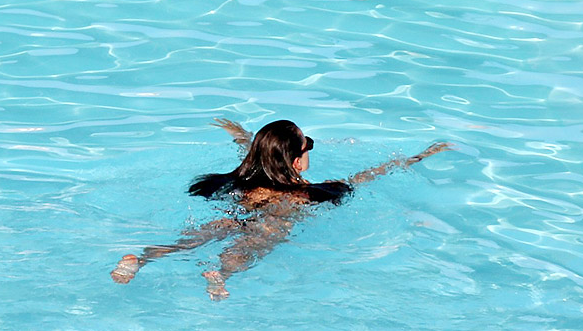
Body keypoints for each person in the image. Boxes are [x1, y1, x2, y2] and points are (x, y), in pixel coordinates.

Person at [111, 118, 453, 299]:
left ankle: (139, 260)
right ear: (296, 161)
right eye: (308, 147)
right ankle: (221, 275)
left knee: (188, 241)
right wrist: (414, 158)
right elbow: (364, 177)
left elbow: (255, 153)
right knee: (251, 248)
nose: (309, 151)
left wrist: (243, 135)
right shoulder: (307, 192)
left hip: (237, 214)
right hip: (275, 219)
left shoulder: (245, 181)